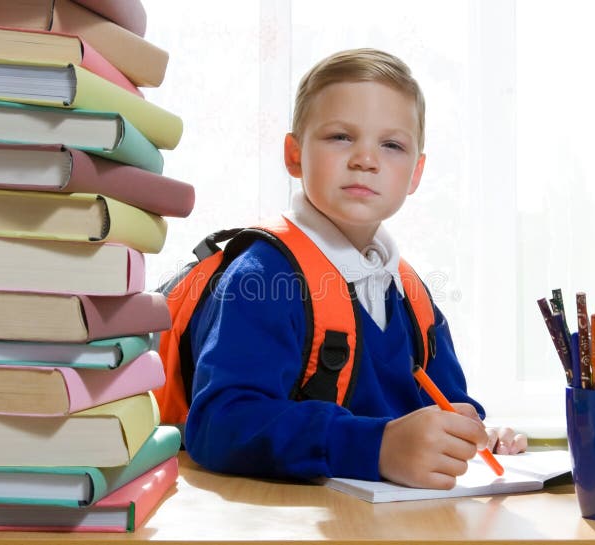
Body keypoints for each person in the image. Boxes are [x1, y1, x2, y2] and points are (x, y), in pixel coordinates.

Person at [184, 48, 527, 489]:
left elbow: (446, 405)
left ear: (416, 173)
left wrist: (476, 437)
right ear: (293, 155)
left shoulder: (410, 295)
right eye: (341, 137)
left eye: (392, 145)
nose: (366, 159)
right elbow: (220, 424)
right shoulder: (261, 278)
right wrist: (375, 446)